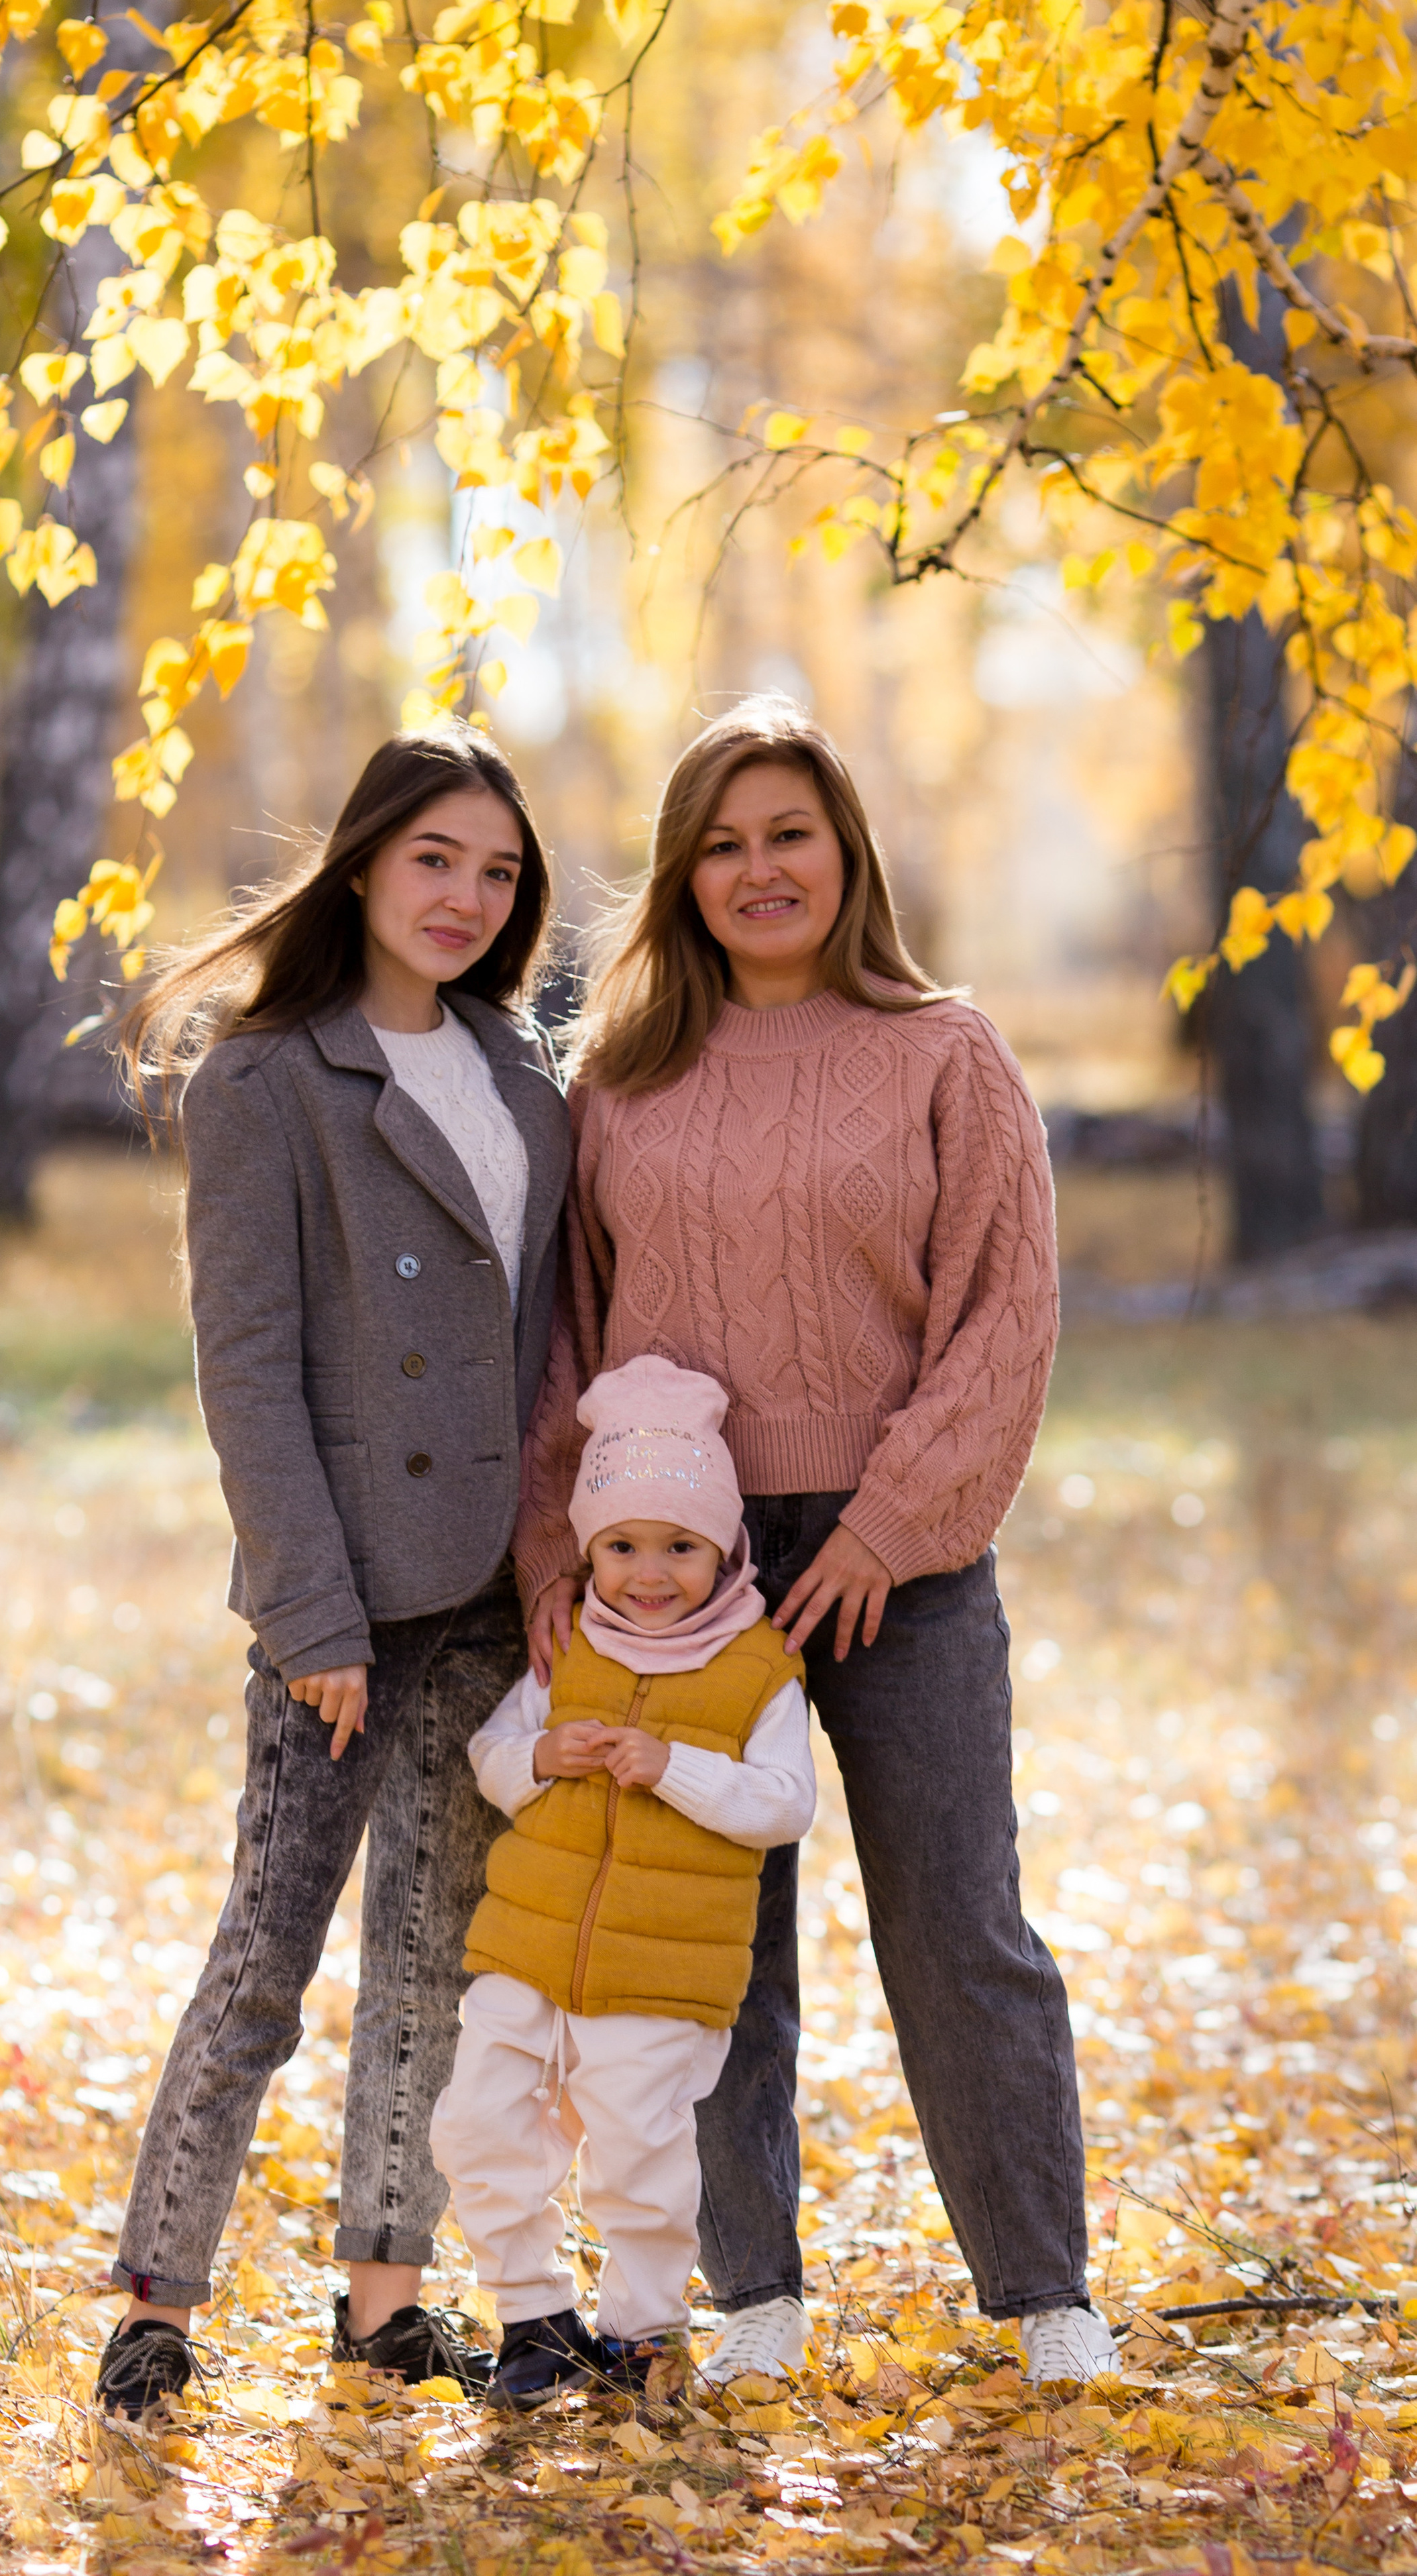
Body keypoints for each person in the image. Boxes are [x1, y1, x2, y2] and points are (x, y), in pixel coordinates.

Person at [514, 696, 1118, 2392]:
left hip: (894, 1566)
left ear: (845, 852)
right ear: (678, 873)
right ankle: (752, 2294)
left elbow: (1003, 1320)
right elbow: (562, 1335)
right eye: (719, 842)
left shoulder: (945, 1053)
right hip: (669, 1577)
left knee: (957, 1926)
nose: (756, 868)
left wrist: (886, 1525)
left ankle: (1041, 2288)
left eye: (786, 833)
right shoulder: (617, 1076)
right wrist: (552, 1554)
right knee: (712, 1936)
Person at [93, 722, 572, 2422]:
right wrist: (307, 1609)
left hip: (492, 1601)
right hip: (342, 1608)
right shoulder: (266, 1079)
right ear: (364, 862)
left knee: (435, 1964)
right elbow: (251, 1364)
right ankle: (157, 2297)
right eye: (434, 857)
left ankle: (385, 2304)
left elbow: (542, 1349)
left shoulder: (525, 1079)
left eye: (497, 872)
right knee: (265, 1960)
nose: (464, 894)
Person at [431, 1355, 816, 2411]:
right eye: (622, 1547)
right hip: (529, 1947)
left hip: (662, 1967)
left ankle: (643, 2334)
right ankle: (534, 2317)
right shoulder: (566, 1649)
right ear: (591, 1549)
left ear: (724, 1546)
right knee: (475, 2127)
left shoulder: (758, 1667)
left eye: (681, 1547)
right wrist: (539, 1761)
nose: (650, 1574)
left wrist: (672, 1768)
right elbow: (495, 1752)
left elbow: (786, 1802)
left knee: (638, 2160)